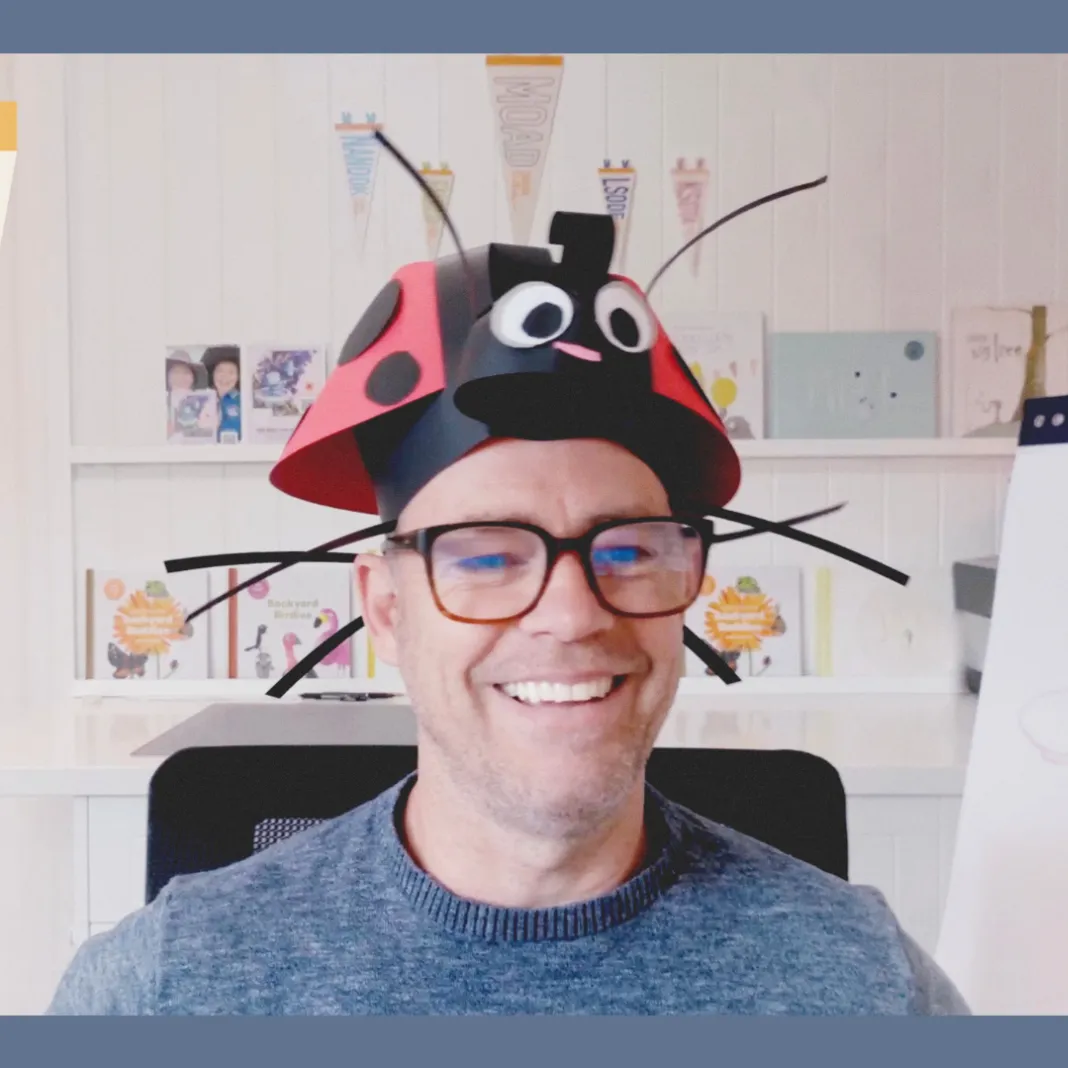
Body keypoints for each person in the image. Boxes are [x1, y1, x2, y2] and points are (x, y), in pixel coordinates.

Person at [47, 202, 969, 1016]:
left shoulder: (869, 986)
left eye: (629, 549)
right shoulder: (168, 988)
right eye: (487, 554)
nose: (571, 615)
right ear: (386, 607)